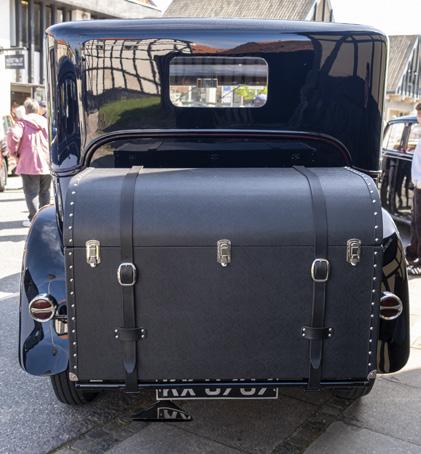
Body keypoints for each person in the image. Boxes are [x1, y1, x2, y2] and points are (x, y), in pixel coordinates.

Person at [7, 98, 51, 227]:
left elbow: (13, 135)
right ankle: (45, 219)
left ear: (26, 110)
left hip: (28, 162)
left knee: (31, 192)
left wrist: (14, 152)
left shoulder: (22, 122)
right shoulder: (46, 122)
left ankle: (33, 219)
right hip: (47, 162)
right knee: (45, 192)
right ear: (37, 109)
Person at [406, 102, 421, 275]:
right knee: (415, 221)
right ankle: (413, 253)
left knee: (420, 222)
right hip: (418, 185)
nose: (418, 118)